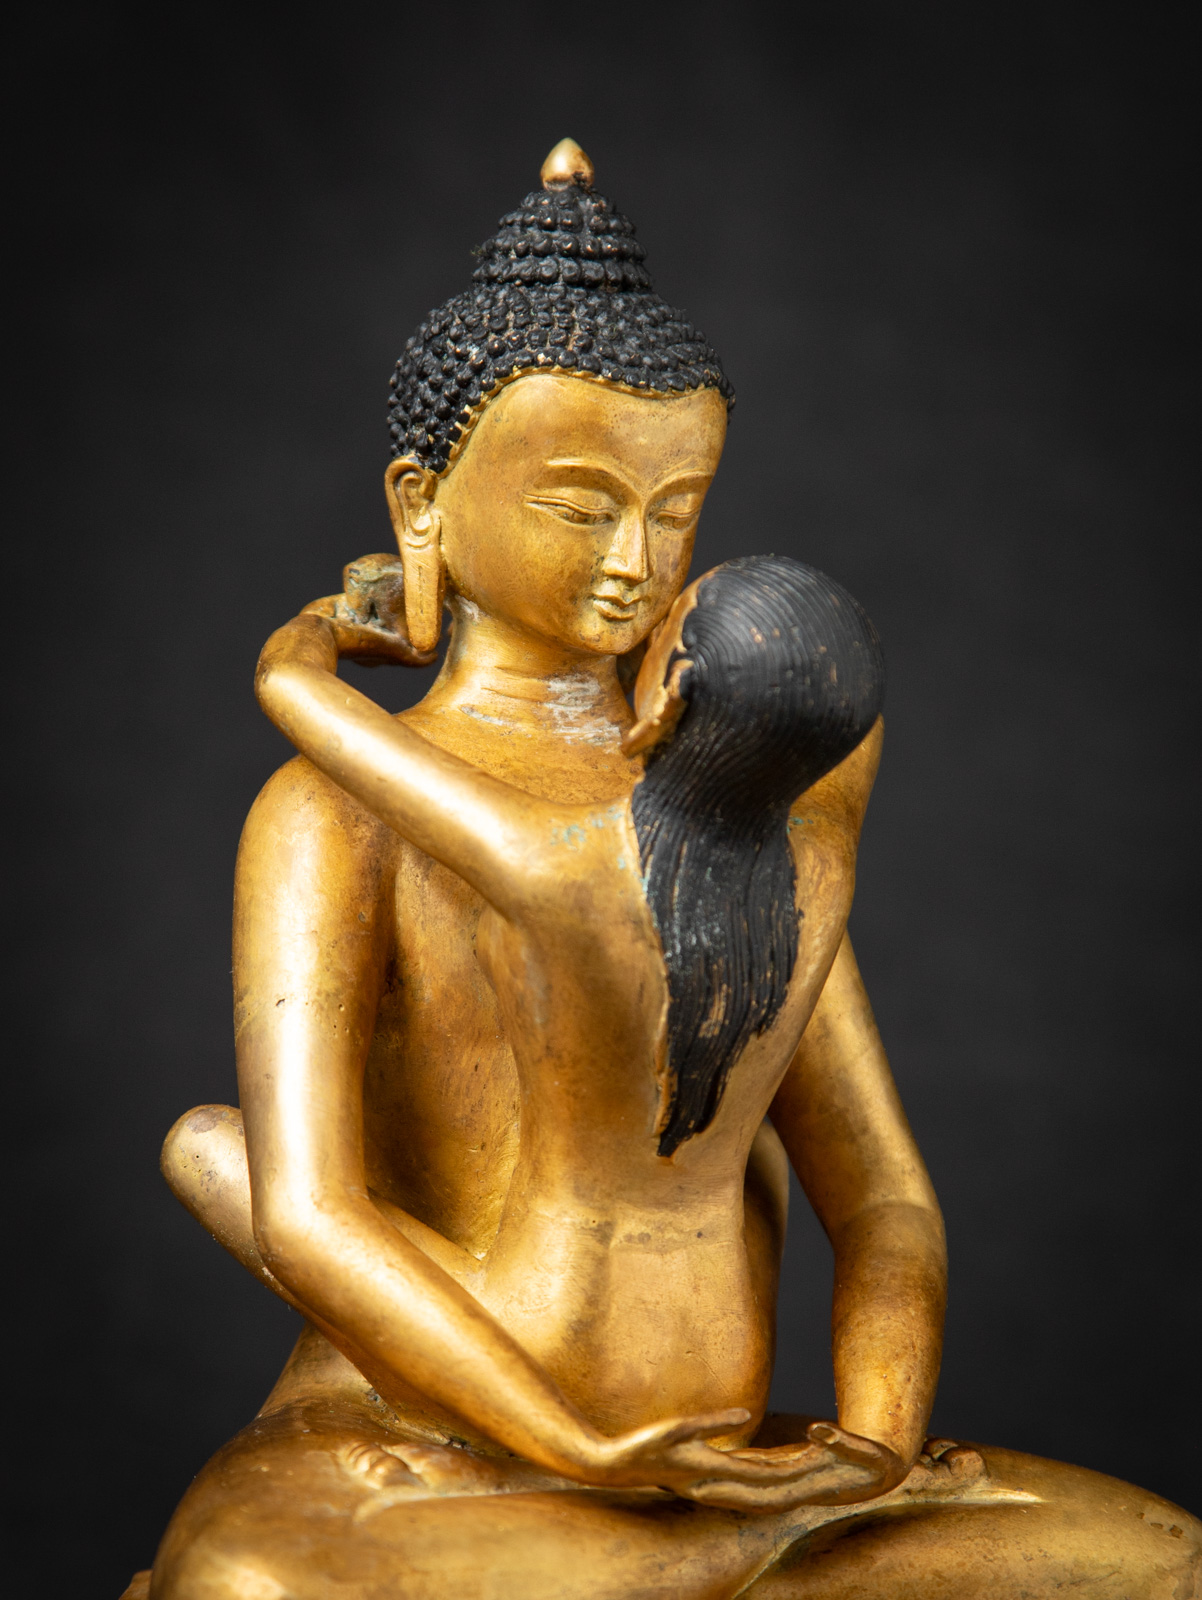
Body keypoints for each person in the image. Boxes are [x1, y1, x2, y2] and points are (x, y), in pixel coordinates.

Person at [139, 143, 1200, 1600]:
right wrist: (578, 1449)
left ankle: (727, 1546)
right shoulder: (333, 816)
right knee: (261, 1585)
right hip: (442, 1436)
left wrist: (870, 1448)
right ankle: (717, 1550)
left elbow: (882, 1197)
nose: (635, 561)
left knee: (1158, 1560)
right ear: (422, 501)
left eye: (677, 507)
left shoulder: (739, 813)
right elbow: (313, 1218)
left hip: (709, 1454)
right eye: (581, 507)